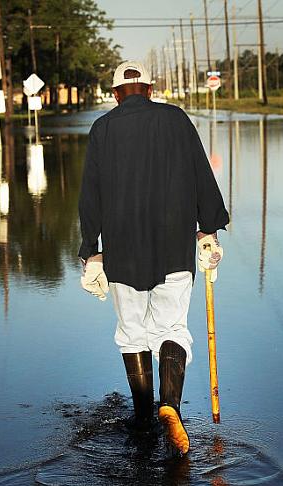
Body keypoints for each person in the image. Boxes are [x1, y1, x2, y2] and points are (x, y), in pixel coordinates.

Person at [77, 60, 229, 455]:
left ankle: (143, 415)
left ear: (115, 94)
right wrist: (208, 228)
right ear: (149, 88)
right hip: (172, 247)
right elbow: (200, 173)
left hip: (123, 251)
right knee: (172, 327)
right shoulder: (176, 120)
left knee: (132, 331)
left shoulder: (102, 129)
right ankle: (169, 407)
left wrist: (90, 249)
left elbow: (90, 194)